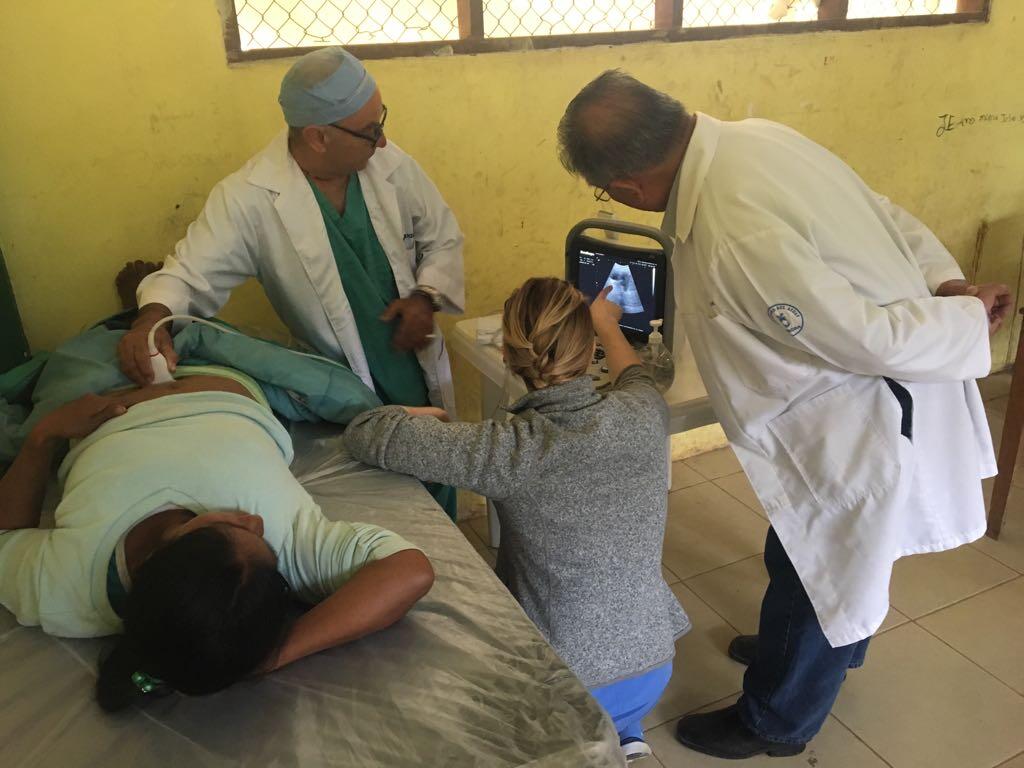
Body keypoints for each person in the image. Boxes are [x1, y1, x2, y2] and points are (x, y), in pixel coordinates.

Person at [557, 70, 1012, 759]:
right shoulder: (756, 137)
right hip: (850, 402)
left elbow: (864, 337)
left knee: (821, 568)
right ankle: (793, 650)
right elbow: (883, 213)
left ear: (625, 190)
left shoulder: (733, 224)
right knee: (812, 550)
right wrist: (946, 279)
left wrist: (963, 312)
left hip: (854, 418)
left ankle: (776, 721)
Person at [344, 277, 689, 763]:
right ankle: (626, 735)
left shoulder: (506, 449)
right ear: (588, 348)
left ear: (507, 356)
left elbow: (366, 433)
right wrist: (607, 325)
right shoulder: (644, 412)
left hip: (567, 685)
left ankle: (595, 737)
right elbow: (636, 377)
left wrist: (423, 414)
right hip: (654, 664)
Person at [115, 46, 464, 517]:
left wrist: (426, 295)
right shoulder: (249, 198)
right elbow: (187, 275)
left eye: (380, 121)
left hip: (410, 361)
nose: (382, 141)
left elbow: (441, 236)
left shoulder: (390, 165)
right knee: (384, 487)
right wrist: (148, 324)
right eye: (371, 131)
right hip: (339, 375)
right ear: (319, 137)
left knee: (434, 456)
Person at [0, 371, 434, 711]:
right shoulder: (297, 547)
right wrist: (274, 655)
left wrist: (44, 436)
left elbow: (6, 535)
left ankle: (135, 314)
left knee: (86, 351)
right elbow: (410, 571)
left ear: (155, 557)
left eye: (230, 526)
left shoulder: (64, 588)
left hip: (95, 396)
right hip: (222, 382)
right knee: (331, 382)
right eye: (253, 535)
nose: (255, 523)